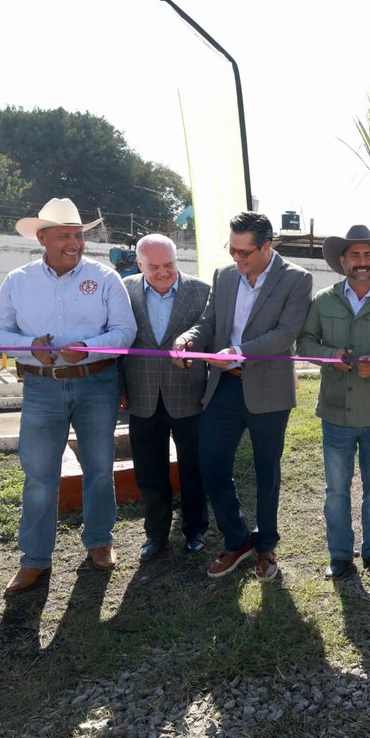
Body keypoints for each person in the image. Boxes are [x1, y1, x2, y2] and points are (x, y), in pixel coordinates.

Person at [0, 198, 136, 594]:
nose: (74, 243)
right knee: (39, 476)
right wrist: (27, 348)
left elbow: (125, 332)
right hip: (41, 387)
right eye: (64, 236)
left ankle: (100, 542)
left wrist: (88, 347)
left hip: (95, 383)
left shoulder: (106, 278)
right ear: (42, 238)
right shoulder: (18, 281)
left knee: (99, 467)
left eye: (78, 236)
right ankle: (34, 558)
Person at [175, 212, 313, 581]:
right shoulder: (223, 276)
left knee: (267, 471)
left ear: (267, 247)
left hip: (269, 389)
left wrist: (238, 351)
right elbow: (209, 323)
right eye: (232, 250)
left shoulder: (297, 279)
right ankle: (238, 540)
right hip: (224, 386)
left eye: (244, 252)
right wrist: (189, 339)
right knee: (212, 465)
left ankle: (266, 545)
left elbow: (286, 334)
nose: (237, 259)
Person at [297, 224, 370, 579]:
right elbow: (304, 343)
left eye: (368, 255)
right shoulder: (323, 299)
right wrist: (331, 355)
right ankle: (339, 555)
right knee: (336, 490)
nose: (362, 262)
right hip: (335, 412)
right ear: (343, 261)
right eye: (355, 256)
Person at [120, 233, 210, 563]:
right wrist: (120, 389)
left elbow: (211, 336)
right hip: (142, 396)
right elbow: (117, 342)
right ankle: (156, 534)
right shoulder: (123, 290)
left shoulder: (201, 291)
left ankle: (195, 530)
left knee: (194, 467)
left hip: (190, 395)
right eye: (153, 266)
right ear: (139, 264)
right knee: (149, 469)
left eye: (169, 265)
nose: (162, 272)